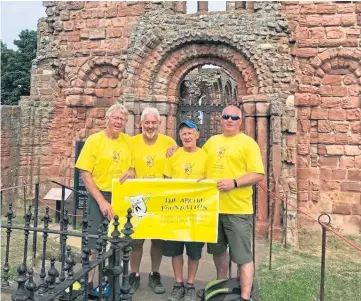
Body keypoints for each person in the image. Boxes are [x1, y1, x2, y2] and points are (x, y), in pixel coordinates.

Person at [203, 105, 264, 301]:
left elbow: (258, 174)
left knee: (242, 256)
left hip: (238, 209)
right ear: (220, 119)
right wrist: (173, 151)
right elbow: (196, 160)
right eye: (226, 116)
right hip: (214, 208)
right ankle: (222, 287)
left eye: (234, 117)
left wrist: (234, 182)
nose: (229, 120)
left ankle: (245, 297)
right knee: (218, 251)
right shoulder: (212, 142)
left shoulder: (248, 143)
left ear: (240, 121)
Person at [75, 103, 135, 287]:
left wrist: (132, 170)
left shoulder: (128, 141)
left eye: (122, 119)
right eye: (115, 118)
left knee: (118, 241)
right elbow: (85, 174)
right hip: (99, 195)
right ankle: (89, 281)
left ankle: (111, 281)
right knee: (94, 240)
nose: (118, 122)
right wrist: (101, 201)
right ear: (107, 119)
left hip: (121, 196)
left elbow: (132, 166)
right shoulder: (94, 140)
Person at [129, 107, 176, 295]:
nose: (150, 126)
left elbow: (178, 164)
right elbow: (125, 165)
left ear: (159, 123)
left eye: (153, 123)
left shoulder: (169, 142)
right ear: (140, 124)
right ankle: (134, 274)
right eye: (146, 123)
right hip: (137, 198)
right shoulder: (131, 142)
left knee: (158, 241)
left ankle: (154, 274)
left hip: (159, 198)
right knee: (136, 241)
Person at [163, 120, 207, 301]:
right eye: (184, 134)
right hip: (176, 212)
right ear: (180, 136)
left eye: (190, 133)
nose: (187, 136)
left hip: (197, 212)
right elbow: (166, 180)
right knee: (176, 250)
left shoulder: (206, 155)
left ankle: (190, 284)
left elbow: (211, 179)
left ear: (197, 135)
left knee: (194, 251)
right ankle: (178, 283)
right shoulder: (173, 155)